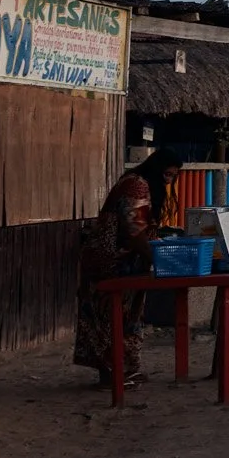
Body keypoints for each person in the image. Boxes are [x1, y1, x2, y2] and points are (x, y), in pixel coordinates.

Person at [73, 149, 181, 387]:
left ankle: (122, 370)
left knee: (124, 316)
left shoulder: (141, 184)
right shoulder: (136, 185)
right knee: (109, 317)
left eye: (173, 177)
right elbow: (135, 231)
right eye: (166, 175)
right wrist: (156, 257)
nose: (169, 181)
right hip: (111, 262)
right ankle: (113, 374)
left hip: (124, 261)